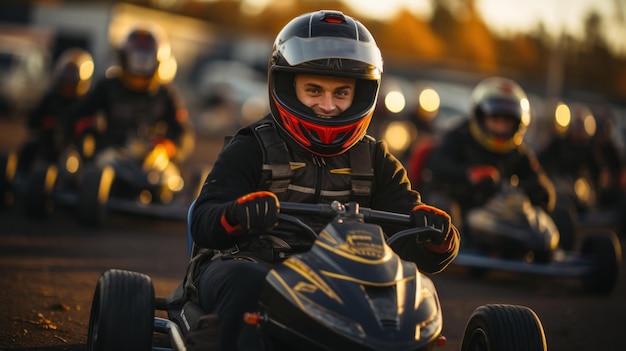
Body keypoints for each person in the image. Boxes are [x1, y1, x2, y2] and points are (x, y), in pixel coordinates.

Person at [188, 10, 460, 351]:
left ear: (360, 94)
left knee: (415, 292)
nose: (327, 106)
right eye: (314, 90)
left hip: (340, 280)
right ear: (287, 86)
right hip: (251, 264)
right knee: (250, 283)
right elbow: (203, 219)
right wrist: (238, 214)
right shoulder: (252, 146)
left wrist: (436, 235)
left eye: (341, 93)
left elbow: (417, 246)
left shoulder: (375, 159)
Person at [424, 77, 555, 237]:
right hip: (462, 206)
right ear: (481, 116)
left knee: (558, 213)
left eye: (506, 122)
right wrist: (468, 174)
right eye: (495, 120)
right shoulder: (459, 136)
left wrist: (530, 190)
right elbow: (437, 166)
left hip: (498, 211)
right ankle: (451, 253)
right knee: (443, 211)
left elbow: (544, 188)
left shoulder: (518, 150)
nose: (500, 127)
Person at [65, 26, 192, 164]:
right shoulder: (108, 87)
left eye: (146, 60)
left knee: (174, 182)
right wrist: (88, 134)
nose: (141, 67)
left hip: (153, 159)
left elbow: (184, 133)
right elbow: (75, 117)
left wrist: (167, 147)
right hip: (112, 155)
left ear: (157, 61)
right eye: (136, 58)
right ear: (125, 58)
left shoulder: (165, 93)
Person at [16, 47, 94, 173]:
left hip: (75, 149)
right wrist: (45, 123)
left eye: (72, 76)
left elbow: (93, 125)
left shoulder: (86, 102)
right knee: (30, 146)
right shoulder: (51, 98)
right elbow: (32, 120)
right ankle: (19, 177)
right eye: (66, 75)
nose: (68, 81)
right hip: (49, 146)